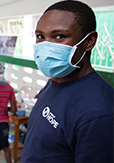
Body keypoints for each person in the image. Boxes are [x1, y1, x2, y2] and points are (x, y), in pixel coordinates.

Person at [21, 1, 114, 163]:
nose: (46, 46)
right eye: (40, 36)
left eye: (59, 36)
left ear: (90, 41)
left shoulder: (99, 113)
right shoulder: (56, 81)